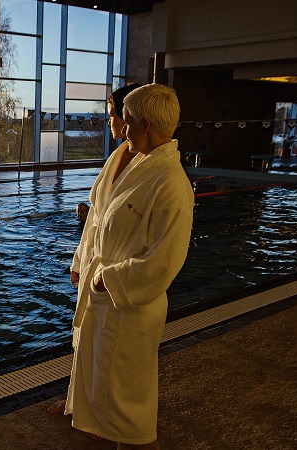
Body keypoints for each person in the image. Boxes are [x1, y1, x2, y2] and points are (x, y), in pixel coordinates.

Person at [62, 84, 194, 450]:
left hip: (130, 306)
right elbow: (99, 220)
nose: (121, 126)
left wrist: (109, 278)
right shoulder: (135, 160)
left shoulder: (171, 183)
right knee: (107, 392)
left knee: (130, 413)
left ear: (145, 124)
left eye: (128, 120)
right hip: (107, 299)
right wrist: (84, 264)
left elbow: (165, 260)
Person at [48, 82, 141, 416]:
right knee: (83, 340)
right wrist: (78, 261)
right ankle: (76, 401)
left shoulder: (148, 168)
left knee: (105, 350)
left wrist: (107, 276)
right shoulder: (117, 157)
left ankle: (100, 414)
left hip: (113, 275)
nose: (111, 122)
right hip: (94, 267)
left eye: (114, 115)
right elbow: (95, 219)